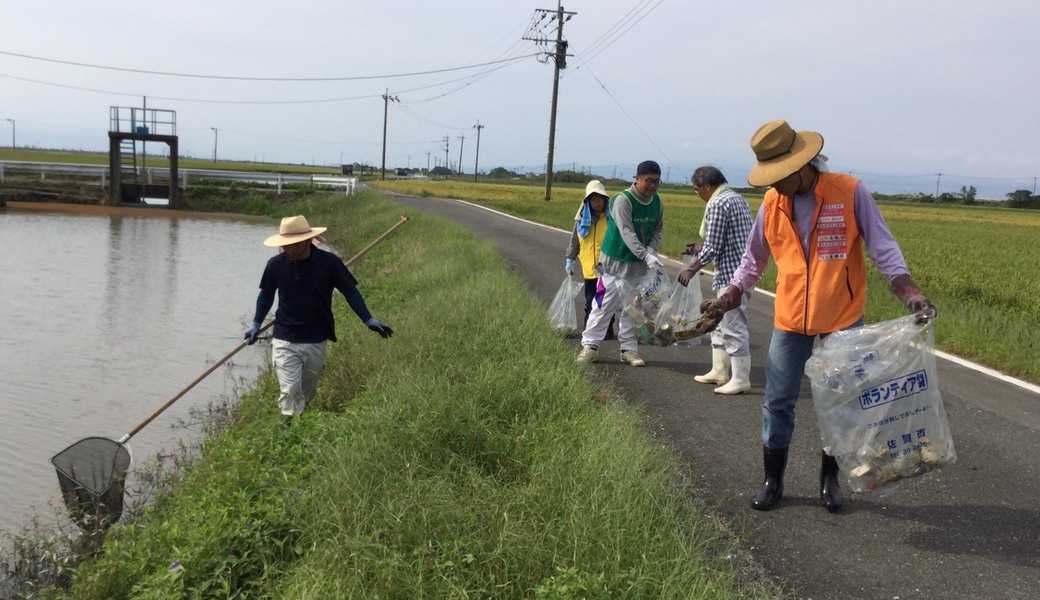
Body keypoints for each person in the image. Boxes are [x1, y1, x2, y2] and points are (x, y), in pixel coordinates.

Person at [701, 120, 936, 513]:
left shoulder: (849, 193)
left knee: (838, 402)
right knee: (777, 401)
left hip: (841, 320)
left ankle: (830, 480)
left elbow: (884, 249)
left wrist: (909, 292)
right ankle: (772, 481)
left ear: (801, 166)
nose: (773, 186)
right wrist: (728, 297)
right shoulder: (773, 204)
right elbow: (752, 261)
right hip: (790, 320)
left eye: (779, 177)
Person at [243, 215, 393, 425]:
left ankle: (298, 427)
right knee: (290, 391)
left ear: (307, 241)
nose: (287, 249)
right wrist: (256, 323)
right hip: (285, 338)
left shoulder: (329, 263)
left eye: (292, 244)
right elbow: (266, 294)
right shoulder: (275, 265)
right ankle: (285, 430)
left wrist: (368, 320)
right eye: (284, 244)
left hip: (316, 338)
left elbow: (350, 292)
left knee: (306, 392)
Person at [577, 160, 665, 367]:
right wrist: (646, 254)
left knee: (633, 310)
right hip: (614, 265)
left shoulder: (657, 202)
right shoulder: (622, 200)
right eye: (648, 181)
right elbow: (627, 232)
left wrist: (651, 250)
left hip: (638, 267)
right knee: (603, 306)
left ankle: (628, 350)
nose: (652, 186)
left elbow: (658, 229)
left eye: (657, 181)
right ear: (637, 179)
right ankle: (590, 346)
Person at [677, 166, 754, 394]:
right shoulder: (736, 198)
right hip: (740, 269)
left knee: (732, 325)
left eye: (696, 189)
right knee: (717, 322)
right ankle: (719, 371)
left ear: (707, 186)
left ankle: (740, 379)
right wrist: (702, 248)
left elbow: (712, 247)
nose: (697, 194)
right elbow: (727, 238)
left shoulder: (719, 203)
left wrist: (691, 268)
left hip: (732, 274)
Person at [566, 180, 617, 339]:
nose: (597, 201)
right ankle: (588, 331)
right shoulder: (581, 220)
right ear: (587, 200)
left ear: (605, 199)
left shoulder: (611, 219)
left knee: (607, 303)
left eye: (600, 198)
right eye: (593, 198)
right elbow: (575, 241)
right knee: (590, 302)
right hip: (589, 269)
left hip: (608, 269)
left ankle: (607, 331)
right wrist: (570, 259)